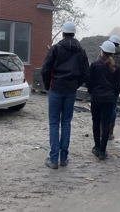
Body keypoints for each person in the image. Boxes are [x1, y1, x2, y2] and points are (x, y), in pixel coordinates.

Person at [41, 21, 89, 169]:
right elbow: (86, 72)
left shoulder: (56, 48)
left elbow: (45, 69)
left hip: (56, 89)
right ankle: (63, 157)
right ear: (74, 33)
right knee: (66, 123)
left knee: (54, 123)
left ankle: (53, 159)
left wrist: (48, 84)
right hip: (70, 91)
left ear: (62, 33)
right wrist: (76, 84)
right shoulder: (81, 51)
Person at [85, 41, 120, 160]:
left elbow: (89, 81)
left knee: (96, 122)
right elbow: (118, 85)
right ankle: (102, 151)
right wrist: (113, 95)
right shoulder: (116, 68)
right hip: (109, 98)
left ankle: (96, 147)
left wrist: (92, 92)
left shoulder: (95, 65)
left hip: (96, 97)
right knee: (106, 123)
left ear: (102, 51)